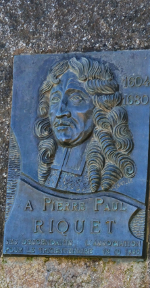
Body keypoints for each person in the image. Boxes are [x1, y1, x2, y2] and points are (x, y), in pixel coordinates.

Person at [34, 56, 136, 193]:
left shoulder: (108, 173)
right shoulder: (45, 169)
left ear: (100, 107)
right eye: (55, 99)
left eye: (76, 98)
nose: (60, 111)